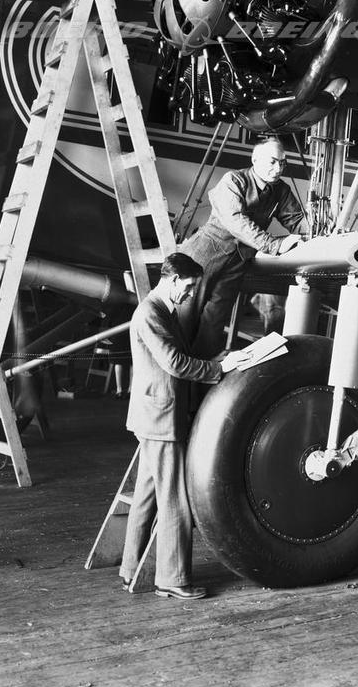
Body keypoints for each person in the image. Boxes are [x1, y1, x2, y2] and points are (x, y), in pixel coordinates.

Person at [119, 252, 244, 600]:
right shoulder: (151, 313)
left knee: (146, 496)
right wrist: (219, 369)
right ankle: (172, 579)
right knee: (176, 499)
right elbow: (174, 363)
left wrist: (215, 359)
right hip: (160, 419)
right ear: (172, 279)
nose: (190, 295)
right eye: (188, 288)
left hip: (154, 415)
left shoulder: (162, 310)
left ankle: (131, 568)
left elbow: (178, 358)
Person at [179, 136, 308, 356]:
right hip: (206, 253)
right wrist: (274, 244)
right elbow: (236, 221)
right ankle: (175, 375)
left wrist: (320, 232)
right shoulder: (234, 180)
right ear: (255, 160)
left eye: (282, 163)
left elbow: (297, 220)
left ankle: (202, 376)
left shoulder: (281, 190)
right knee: (185, 317)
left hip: (237, 263)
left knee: (213, 323)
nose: (278, 169)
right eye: (272, 162)